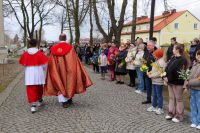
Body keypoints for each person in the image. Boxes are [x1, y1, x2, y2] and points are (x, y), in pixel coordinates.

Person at [44, 34, 93, 108]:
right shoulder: (70, 48)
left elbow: (51, 62)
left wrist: (52, 70)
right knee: (69, 82)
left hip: (58, 70)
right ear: (66, 39)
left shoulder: (54, 48)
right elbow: (74, 60)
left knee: (60, 82)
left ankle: (65, 101)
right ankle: (69, 99)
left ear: (59, 38)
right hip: (68, 69)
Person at [19, 39, 48, 113]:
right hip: (38, 71)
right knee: (39, 87)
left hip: (29, 72)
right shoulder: (39, 53)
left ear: (29, 44)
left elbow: (23, 64)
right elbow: (44, 64)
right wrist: (43, 69)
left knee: (30, 88)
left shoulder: (25, 53)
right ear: (36, 44)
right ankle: (40, 100)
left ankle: (33, 105)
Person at [165, 44, 189, 123]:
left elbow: (180, 72)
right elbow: (167, 68)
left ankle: (179, 116)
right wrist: (164, 76)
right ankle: (171, 113)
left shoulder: (183, 60)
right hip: (170, 82)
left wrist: (169, 77)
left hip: (178, 82)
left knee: (178, 99)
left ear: (177, 50)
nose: (172, 50)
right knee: (171, 98)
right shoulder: (173, 58)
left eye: (173, 49)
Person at [147, 49, 166, 115]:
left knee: (159, 95)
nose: (154, 55)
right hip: (154, 81)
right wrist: (150, 72)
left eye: (155, 54)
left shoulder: (161, 62)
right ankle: (154, 106)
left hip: (158, 81)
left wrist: (151, 75)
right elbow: (154, 70)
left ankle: (160, 108)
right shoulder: (157, 61)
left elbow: (159, 72)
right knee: (154, 94)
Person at [184, 50, 200, 129]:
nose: (198, 56)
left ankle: (199, 122)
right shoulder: (194, 64)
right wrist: (186, 81)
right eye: (198, 55)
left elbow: (198, 80)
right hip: (192, 89)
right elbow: (189, 75)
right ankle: (194, 121)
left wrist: (189, 82)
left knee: (199, 106)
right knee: (193, 105)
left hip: (198, 89)